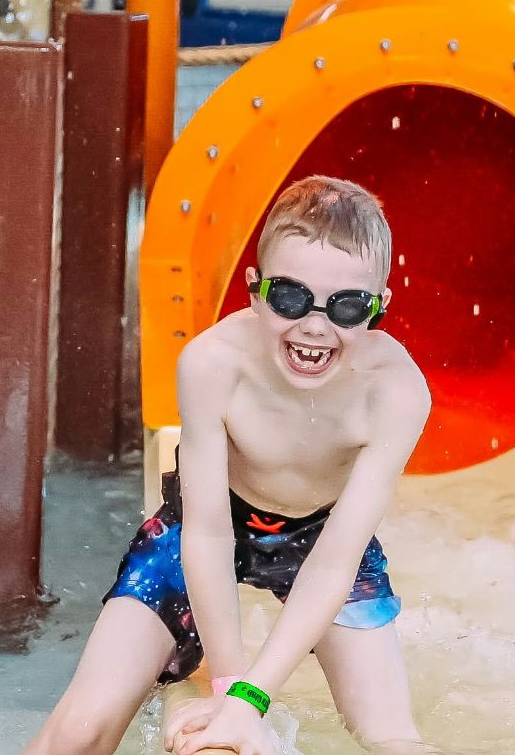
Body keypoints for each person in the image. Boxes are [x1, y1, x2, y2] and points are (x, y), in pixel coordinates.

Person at [24, 176, 435, 755]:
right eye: (290, 297)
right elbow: (209, 533)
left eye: (346, 307)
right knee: (76, 732)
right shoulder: (213, 364)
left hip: (320, 536)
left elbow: (334, 561)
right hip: (201, 526)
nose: (314, 327)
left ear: (379, 308)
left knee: (393, 740)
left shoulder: (396, 393)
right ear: (253, 290)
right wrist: (226, 684)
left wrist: (250, 701)